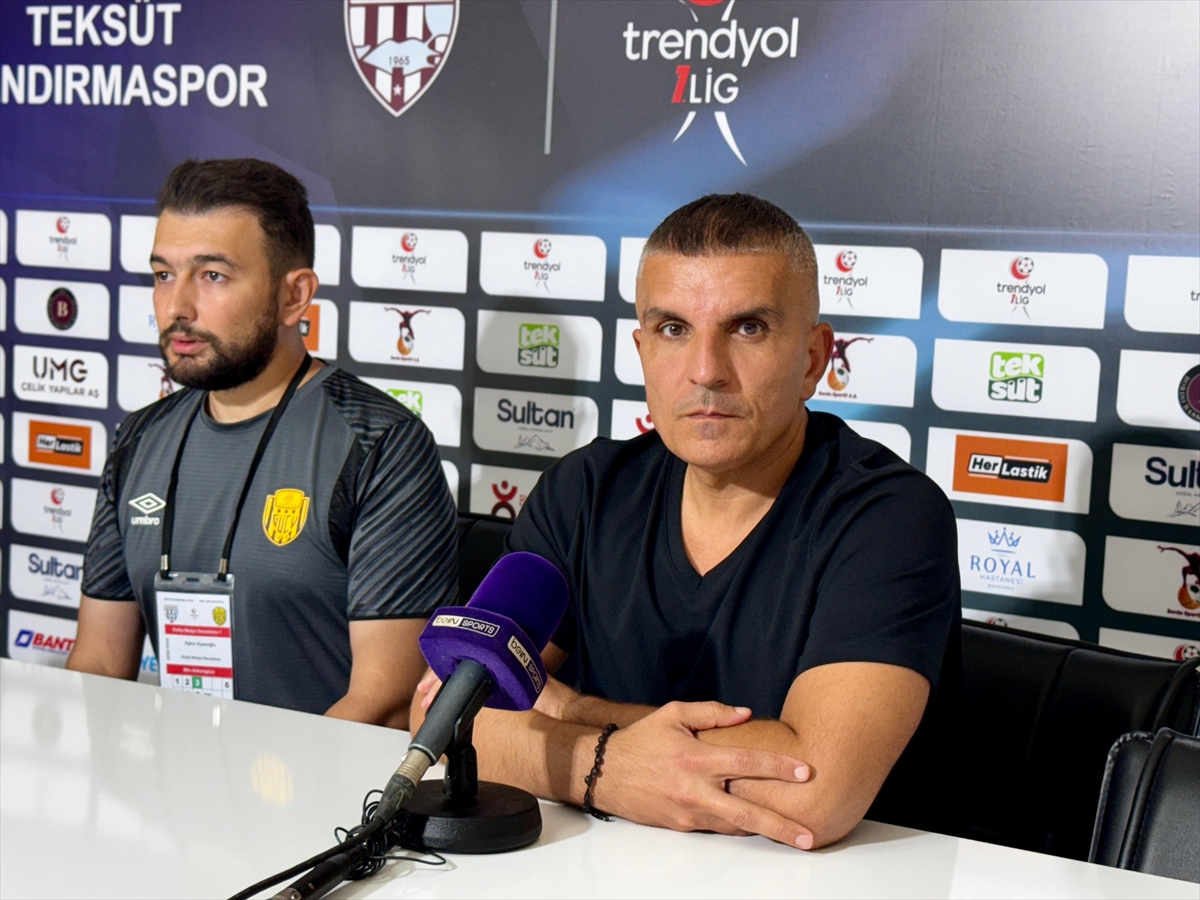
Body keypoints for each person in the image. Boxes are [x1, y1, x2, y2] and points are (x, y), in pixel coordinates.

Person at [413, 194, 961, 849]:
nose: (706, 371)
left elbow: (814, 791)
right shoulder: (585, 490)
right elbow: (443, 713)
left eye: (748, 328)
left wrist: (575, 713)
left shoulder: (888, 517)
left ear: (814, 359)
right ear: (642, 349)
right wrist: (612, 767)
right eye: (673, 329)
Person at [68, 158, 457, 726]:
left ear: (294, 296)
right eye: (163, 274)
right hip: (173, 772)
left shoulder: (381, 445)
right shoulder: (138, 439)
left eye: (212, 276)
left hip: (325, 781)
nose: (176, 307)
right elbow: (99, 664)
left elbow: (386, 701)